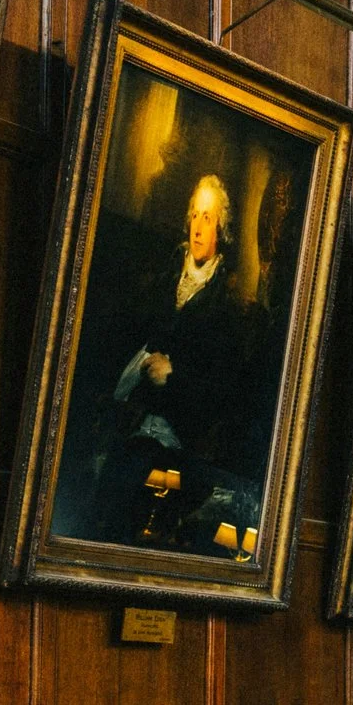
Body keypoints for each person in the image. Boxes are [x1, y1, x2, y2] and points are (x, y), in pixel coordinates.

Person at [85, 174, 264, 550]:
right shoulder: (162, 280)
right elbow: (124, 339)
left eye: (209, 219)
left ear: (222, 230)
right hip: (128, 421)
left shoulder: (226, 309)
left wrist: (173, 377)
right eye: (195, 215)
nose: (199, 227)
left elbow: (222, 395)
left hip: (182, 441)